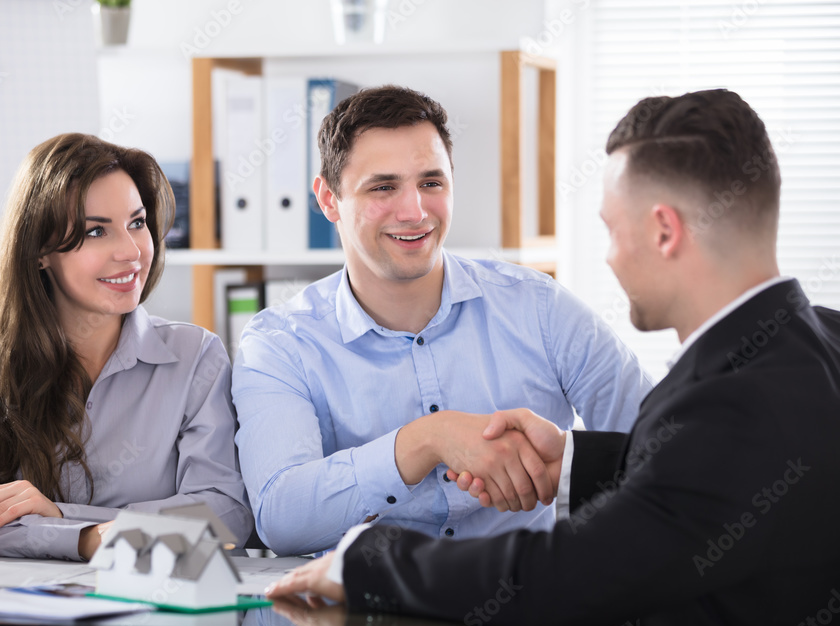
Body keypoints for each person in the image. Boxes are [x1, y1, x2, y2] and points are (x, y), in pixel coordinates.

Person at [267, 89, 840, 626]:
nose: (611, 259)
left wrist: (366, 561)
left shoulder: (722, 402)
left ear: (664, 232)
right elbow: (704, 484)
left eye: (612, 231)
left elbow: (580, 572)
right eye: (384, 186)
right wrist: (569, 459)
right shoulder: (818, 343)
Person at [232, 84, 651, 560]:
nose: (414, 212)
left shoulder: (540, 309)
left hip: (541, 624)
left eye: (431, 183)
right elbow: (281, 519)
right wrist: (426, 441)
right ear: (329, 199)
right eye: (383, 187)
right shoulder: (279, 344)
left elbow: (665, 452)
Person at [0, 133, 252, 561]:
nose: (130, 251)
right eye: (96, 231)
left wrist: (65, 521)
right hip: (13, 620)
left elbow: (224, 514)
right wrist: (86, 537)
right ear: (39, 252)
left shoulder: (195, 357)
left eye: (137, 223)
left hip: (153, 617)